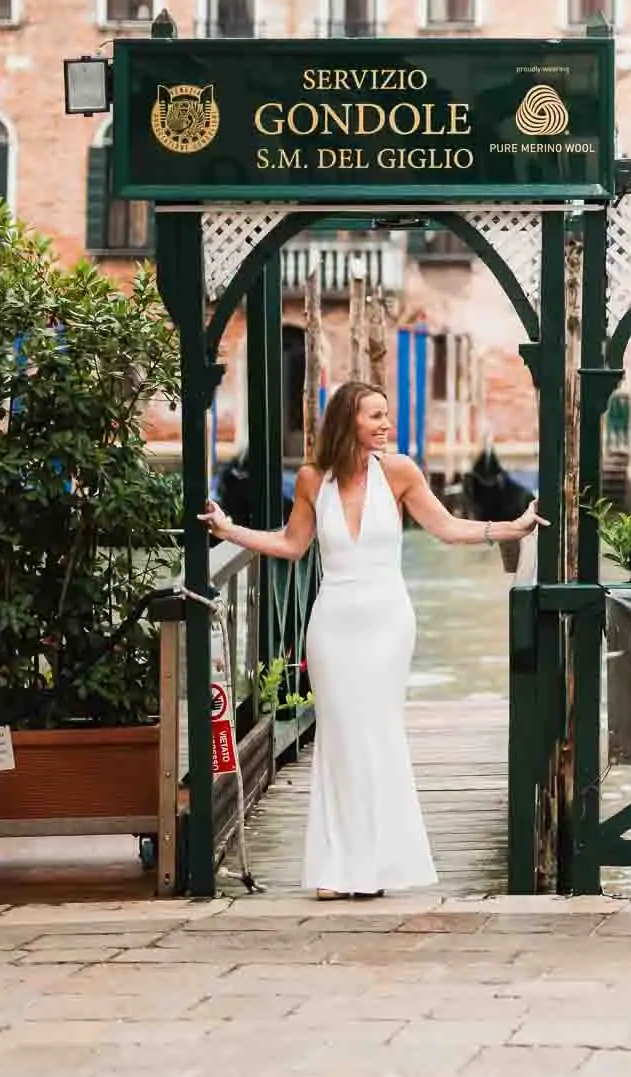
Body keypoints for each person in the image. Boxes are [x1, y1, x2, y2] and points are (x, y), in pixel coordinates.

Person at [199, 381, 546, 899]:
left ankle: (379, 866)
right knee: (339, 739)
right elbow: (293, 546)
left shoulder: (401, 471)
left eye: (386, 415)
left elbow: (447, 529)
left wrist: (513, 529)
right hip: (332, 623)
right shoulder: (313, 480)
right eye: (376, 416)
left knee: (377, 733)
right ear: (349, 421)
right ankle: (339, 869)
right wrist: (229, 532)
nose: (387, 424)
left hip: (388, 620)